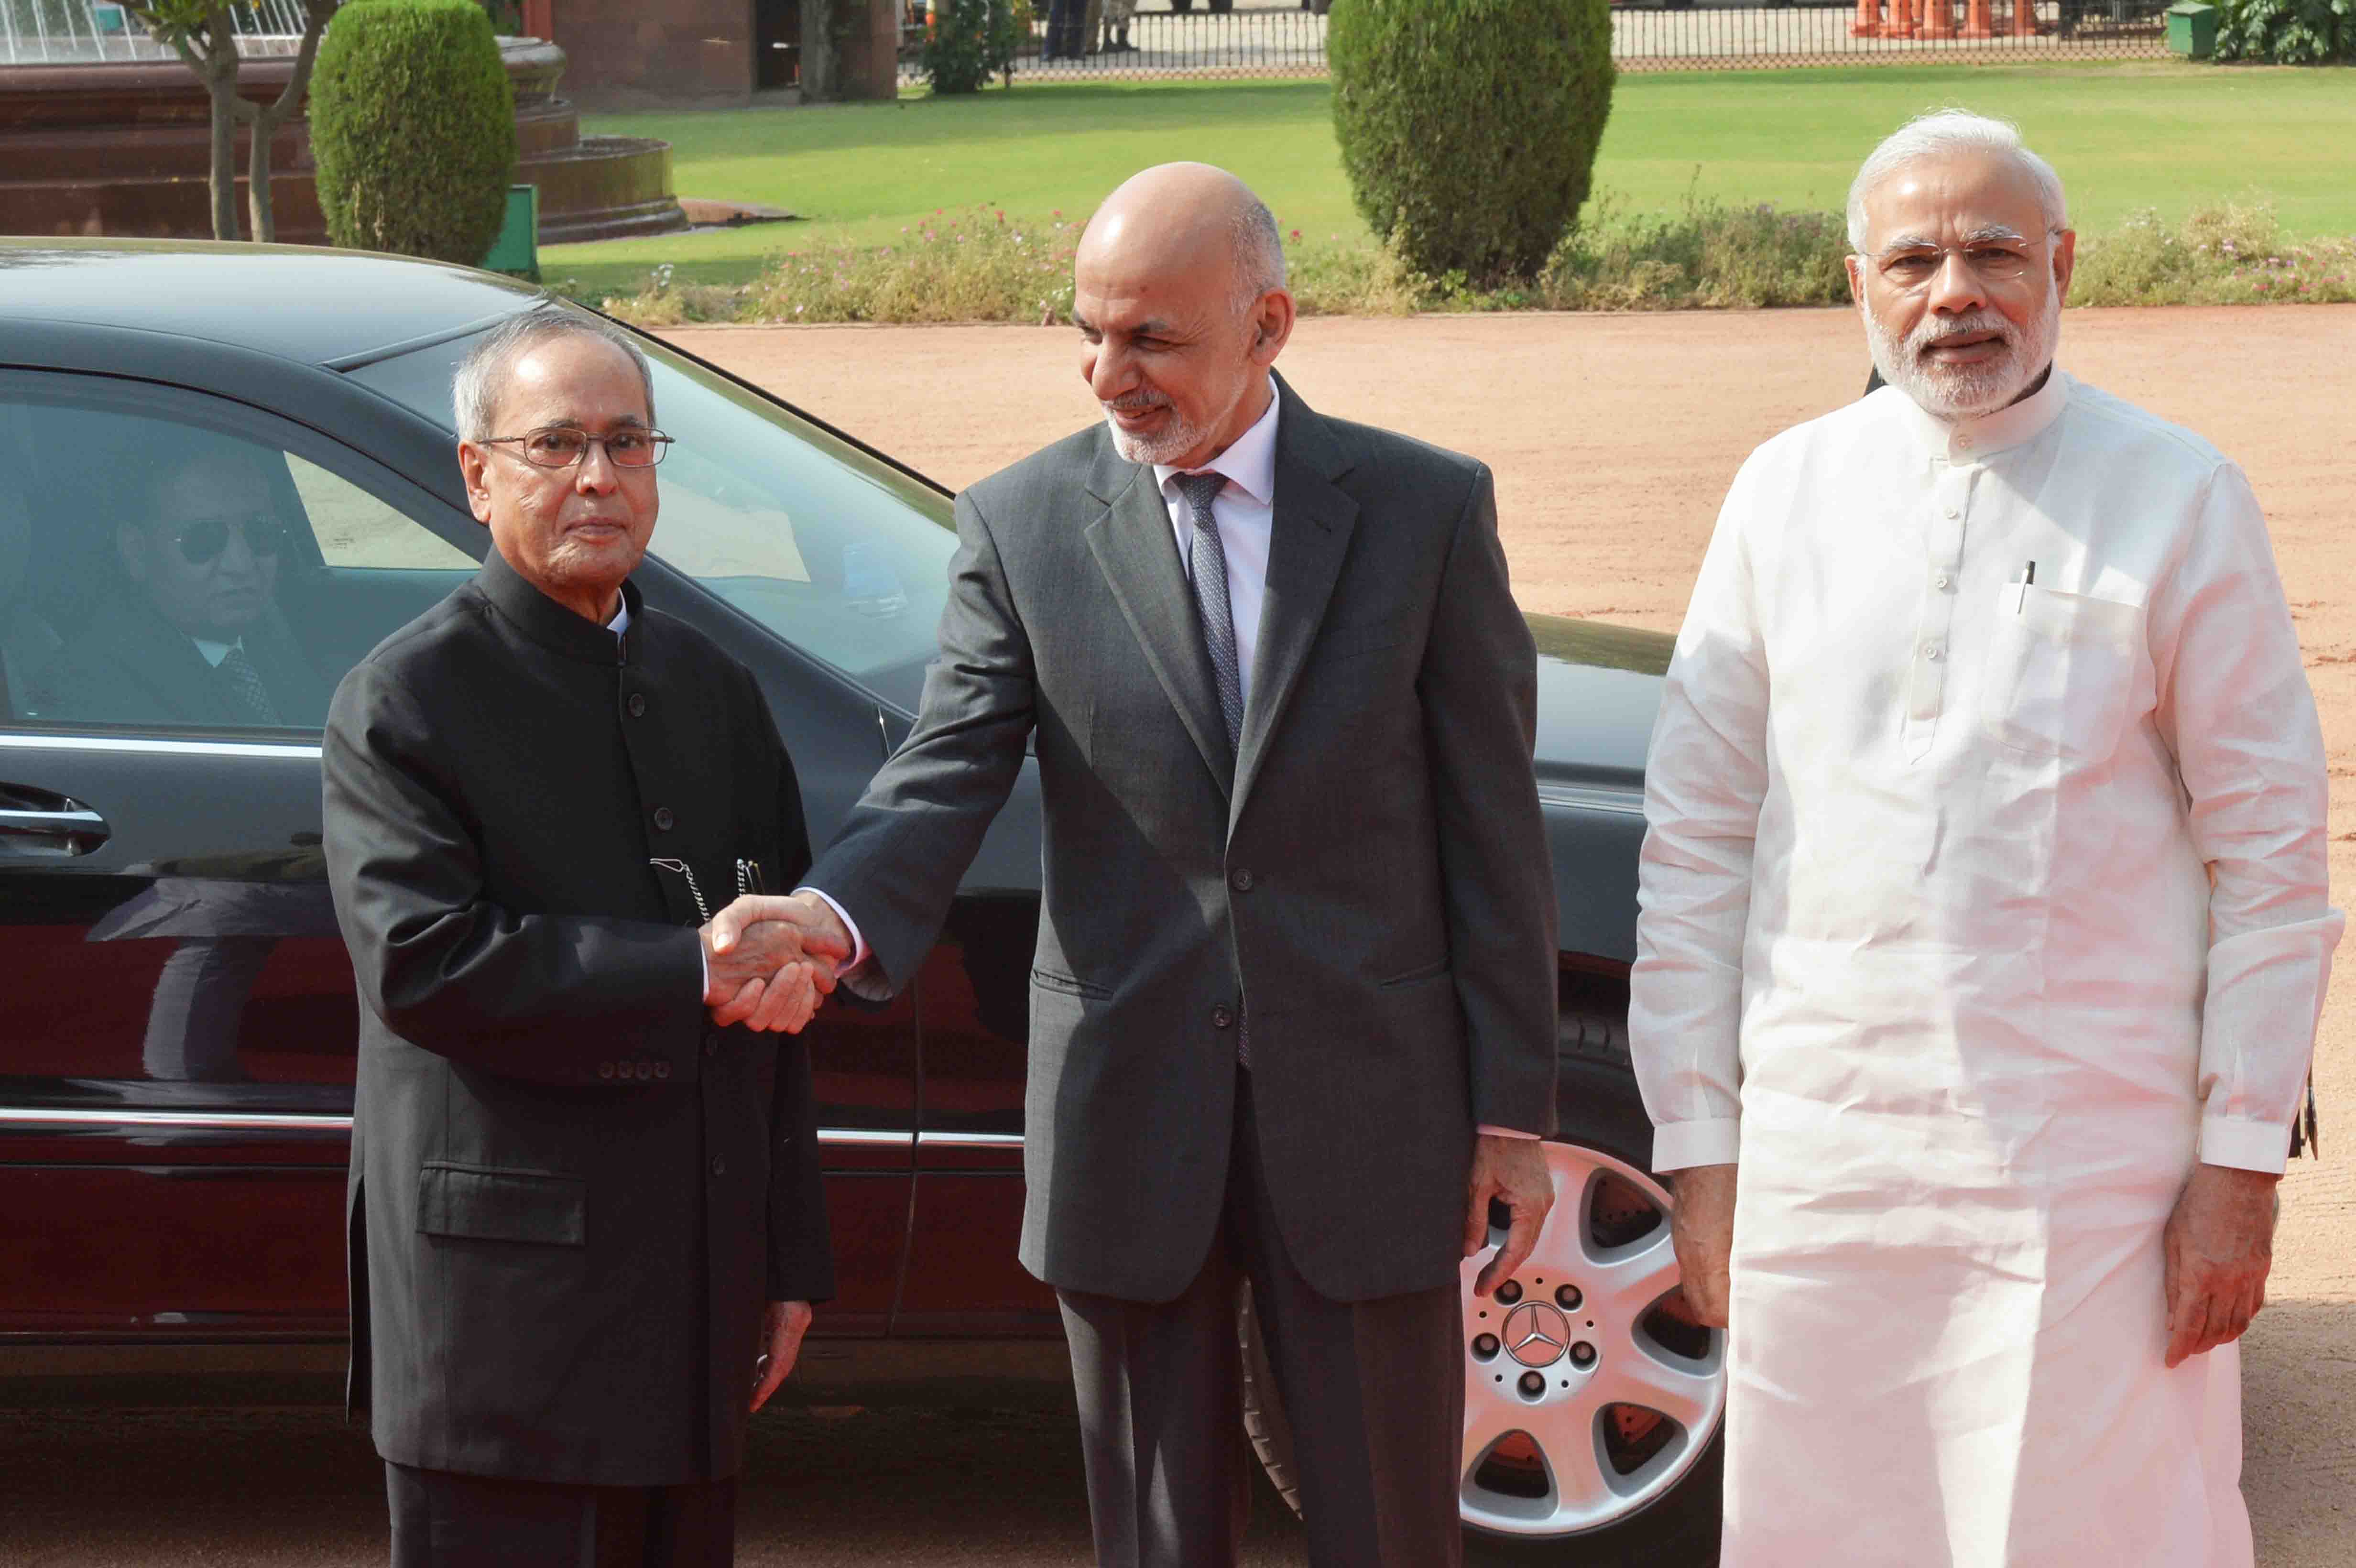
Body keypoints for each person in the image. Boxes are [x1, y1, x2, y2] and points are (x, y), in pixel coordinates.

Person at [718, 162, 1561, 1566]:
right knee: (1156, 1537)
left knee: (1393, 1527)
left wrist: (1509, 1112)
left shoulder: (1420, 513)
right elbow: (943, 776)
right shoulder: (1020, 526)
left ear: (1269, 325)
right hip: (1128, 1111)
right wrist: (830, 912)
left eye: (1150, 339)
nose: (1109, 375)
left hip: (1369, 1106)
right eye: (1089, 334)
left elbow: (1493, 828)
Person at [1631, 109, 2341, 1566]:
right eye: (1912, 259)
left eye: (1991, 252)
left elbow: (2271, 862)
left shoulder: (2174, 492)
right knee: (1829, 1525)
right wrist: (1700, 1147)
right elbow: (1696, 841)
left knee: (2089, 1525)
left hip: (2087, 1166)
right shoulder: (1783, 492)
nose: (1952, 291)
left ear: (2059, 266)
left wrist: (2234, 1166)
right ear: (1857, 286)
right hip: (1822, 1162)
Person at [322, 311, 839, 1568]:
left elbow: (777, 987)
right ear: (477, 470)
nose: (598, 478)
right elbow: (425, 966)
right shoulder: (406, 703)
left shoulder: (714, 690)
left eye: (626, 443)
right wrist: (691, 969)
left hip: (694, 1304)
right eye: (557, 444)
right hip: (503, 1335)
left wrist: (790, 1257)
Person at [31, 445, 329, 729]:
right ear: (137, 551)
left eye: (261, 531)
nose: (241, 564)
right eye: (204, 538)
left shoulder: (268, 628)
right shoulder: (91, 688)